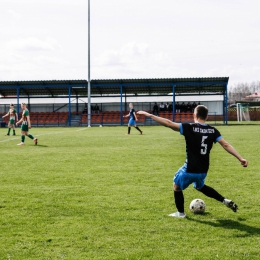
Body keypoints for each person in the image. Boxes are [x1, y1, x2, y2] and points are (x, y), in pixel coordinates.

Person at [137, 105, 248, 218]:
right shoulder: (213, 130)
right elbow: (226, 144)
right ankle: (224, 200)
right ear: (207, 117)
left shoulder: (189, 127)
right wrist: (240, 158)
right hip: (203, 170)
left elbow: (169, 123)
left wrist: (149, 115)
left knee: (176, 186)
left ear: (194, 115)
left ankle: (180, 213)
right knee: (200, 186)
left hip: (190, 168)